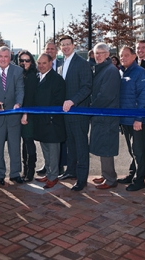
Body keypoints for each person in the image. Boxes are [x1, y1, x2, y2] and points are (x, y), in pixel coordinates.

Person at [0, 46, 25, 186]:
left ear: (10, 57)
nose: (3, 59)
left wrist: (18, 103)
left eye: (6, 56)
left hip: (13, 117)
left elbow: (20, 89)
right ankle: (0, 175)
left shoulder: (18, 71)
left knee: (15, 148)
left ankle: (15, 174)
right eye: (0, 56)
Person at [58, 35, 93, 191]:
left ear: (73, 45)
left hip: (78, 112)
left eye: (68, 44)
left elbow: (87, 87)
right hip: (65, 114)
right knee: (70, 144)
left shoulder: (82, 64)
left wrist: (73, 101)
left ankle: (82, 178)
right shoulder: (61, 65)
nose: (65, 47)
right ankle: (70, 171)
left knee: (81, 146)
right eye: (63, 45)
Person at [117, 46, 145, 191]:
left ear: (133, 57)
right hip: (125, 119)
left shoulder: (140, 73)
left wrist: (139, 118)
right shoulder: (122, 72)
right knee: (132, 150)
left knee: (138, 150)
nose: (123, 58)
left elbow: (144, 97)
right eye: (121, 56)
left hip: (136, 120)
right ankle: (132, 174)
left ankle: (140, 180)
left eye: (126, 55)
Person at [89, 43, 121, 189]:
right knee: (102, 145)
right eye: (96, 53)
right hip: (101, 114)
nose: (98, 55)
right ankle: (106, 174)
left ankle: (110, 179)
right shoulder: (102, 69)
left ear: (108, 54)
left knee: (106, 146)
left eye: (101, 53)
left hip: (107, 114)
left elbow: (106, 95)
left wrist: (91, 107)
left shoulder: (110, 70)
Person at [32, 53, 66, 189]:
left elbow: (59, 101)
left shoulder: (57, 79)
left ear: (51, 63)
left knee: (53, 151)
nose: (41, 66)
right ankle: (49, 172)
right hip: (40, 121)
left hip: (52, 121)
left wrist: (50, 117)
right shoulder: (37, 77)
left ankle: (53, 177)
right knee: (45, 149)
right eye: (39, 63)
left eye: (44, 63)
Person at [18, 50, 38, 182]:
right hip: (18, 113)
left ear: (31, 62)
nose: (24, 63)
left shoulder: (31, 76)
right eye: (22, 60)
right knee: (24, 144)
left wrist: (25, 114)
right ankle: (25, 170)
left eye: (27, 60)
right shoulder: (19, 74)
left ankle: (30, 172)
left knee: (28, 142)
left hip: (28, 114)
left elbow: (30, 97)